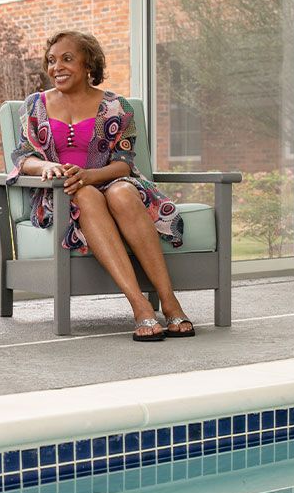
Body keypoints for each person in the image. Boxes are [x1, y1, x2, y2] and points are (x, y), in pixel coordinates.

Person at [10, 31, 195, 342]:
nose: (57, 67)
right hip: (61, 193)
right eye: (51, 61)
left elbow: (123, 163)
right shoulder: (35, 106)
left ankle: (169, 301)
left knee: (122, 193)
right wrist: (46, 167)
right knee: (84, 194)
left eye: (67, 59)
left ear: (88, 64)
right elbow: (22, 156)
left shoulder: (116, 106)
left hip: (111, 181)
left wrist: (89, 175)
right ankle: (140, 306)